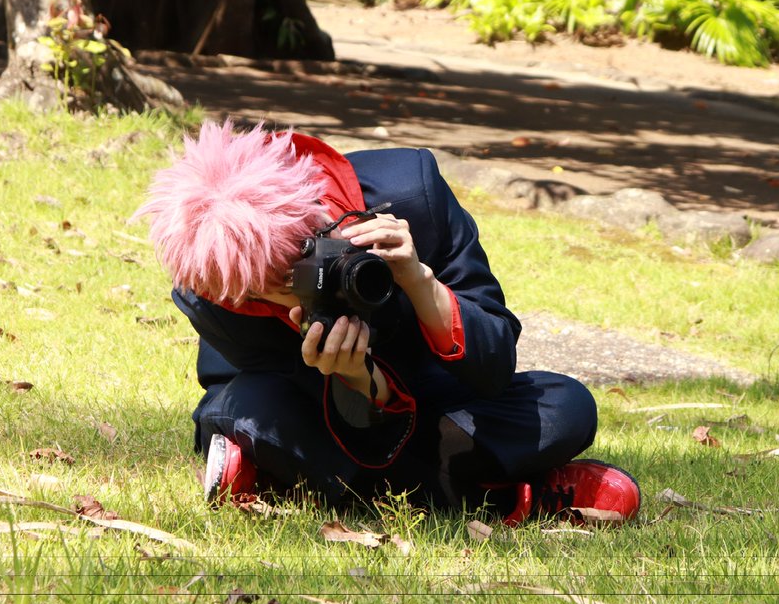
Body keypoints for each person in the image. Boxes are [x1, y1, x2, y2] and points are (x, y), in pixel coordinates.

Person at [134, 120, 640, 526]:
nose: (299, 288)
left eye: (300, 266)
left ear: (316, 214)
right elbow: (281, 396)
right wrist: (358, 380)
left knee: (566, 407)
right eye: (268, 289)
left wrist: (420, 281)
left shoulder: (410, 191)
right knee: (251, 414)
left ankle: (292, 483)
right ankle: (505, 494)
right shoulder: (214, 283)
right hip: (310, 410)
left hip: (441, 399)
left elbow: (494, 365)